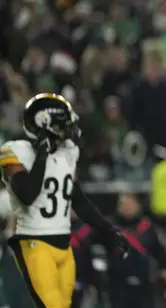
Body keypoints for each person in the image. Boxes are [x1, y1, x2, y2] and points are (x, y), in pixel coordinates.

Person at [0, 93, 129, 308]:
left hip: (63, 248)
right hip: (35, 244)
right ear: (44, 125)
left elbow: (78, 199)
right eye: (63, 126)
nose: (68, 132)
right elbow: (27, 195)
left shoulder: (63, 157)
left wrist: (108, 229)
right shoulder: (18, 151)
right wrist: (41, 157)